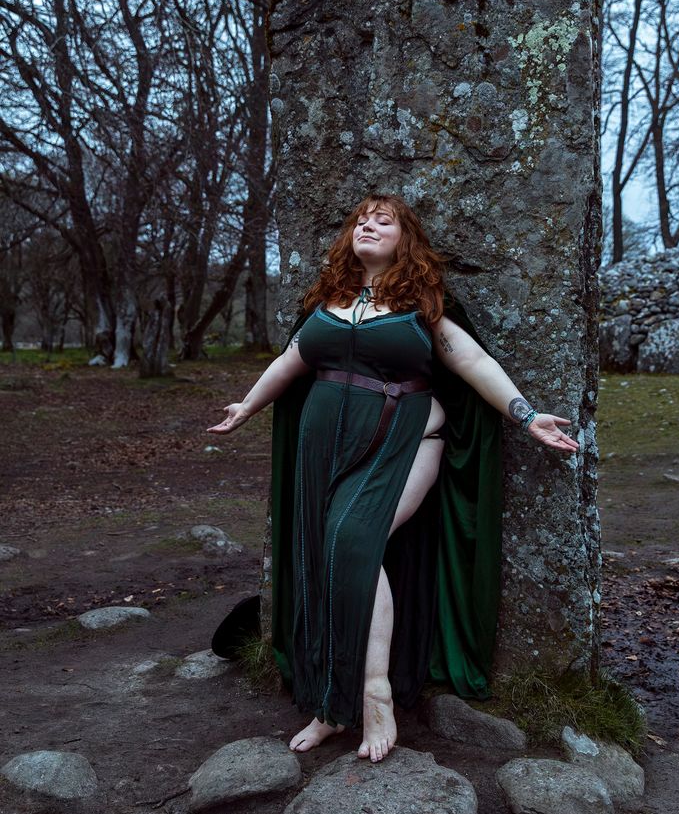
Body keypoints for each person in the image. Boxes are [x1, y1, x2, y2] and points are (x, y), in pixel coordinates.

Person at [208, 195, 579, 763]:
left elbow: (474, 363)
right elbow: (290, 362)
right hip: (323, 454)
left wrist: (527, 416)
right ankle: (331, 706)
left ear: (406, 240)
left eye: (383, 221)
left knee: (354, 542)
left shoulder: (422, 307)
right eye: (361, 220)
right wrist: (247, 406)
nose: (368, 226)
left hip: (404, 445)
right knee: (324, 560)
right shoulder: (327, 302)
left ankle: (374, 691)